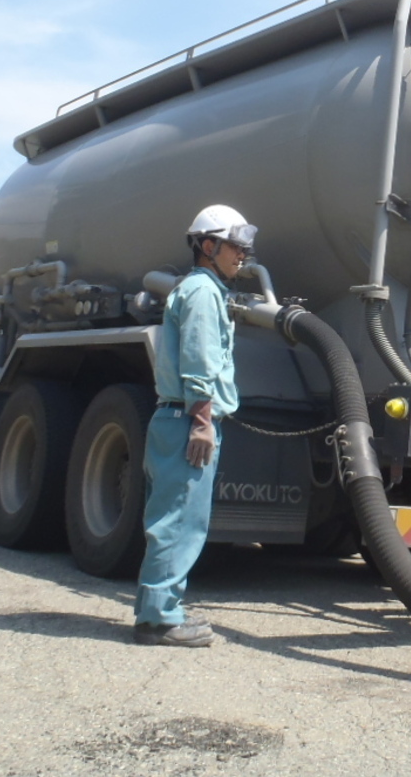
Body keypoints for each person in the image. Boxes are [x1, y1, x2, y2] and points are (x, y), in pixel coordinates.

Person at [133, 204, 257, 647]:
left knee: (174, 518)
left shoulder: (197, 288)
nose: (242, 253)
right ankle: (159, 621)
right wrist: (203, 422)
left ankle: (159, 611)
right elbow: (199, 361)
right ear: (209, 245)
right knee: (179, 521)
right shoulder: (203, 292)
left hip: (174, 419)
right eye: (234, 246)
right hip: (188, 421)